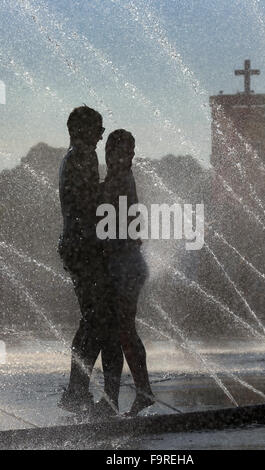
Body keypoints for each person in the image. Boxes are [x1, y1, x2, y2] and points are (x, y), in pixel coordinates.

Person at [58, 106, 124, 415]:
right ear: (82, 130)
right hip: (85, 249)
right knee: (98, 320)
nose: (101, 134)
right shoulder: (83, 156)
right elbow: (89, 204)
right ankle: (77, 392)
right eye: (97, 128)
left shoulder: (73, 156)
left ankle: (77, 391)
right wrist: (111, 186)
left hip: (76, 247)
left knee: (93, 320)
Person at [101, 129, 155, 416]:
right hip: (127, 265)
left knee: (122, 331)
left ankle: (140, 392)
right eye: (124, 151)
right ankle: (117, 397)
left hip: (127, 267)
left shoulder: (120, 180)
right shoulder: (117, 178)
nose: (129, 156)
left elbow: (116, 224)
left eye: (130, 151)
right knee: (118, 332)